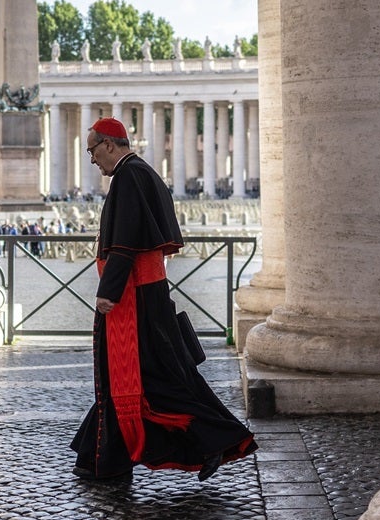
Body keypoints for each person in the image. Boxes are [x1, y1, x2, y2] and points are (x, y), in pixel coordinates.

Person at [71, 116, 257, 483]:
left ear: (110, 144)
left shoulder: (128, 176)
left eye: (93, 150)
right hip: (146, 292)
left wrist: (107, 292)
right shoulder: (143, 172)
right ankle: (101, 458)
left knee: (152, 379)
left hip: (133, 297)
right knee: (136, 378)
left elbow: (124, 240)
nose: (92, 160)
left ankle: (215, 438)